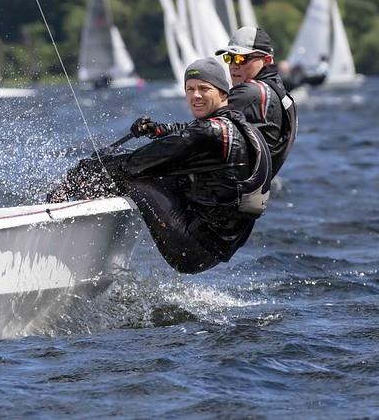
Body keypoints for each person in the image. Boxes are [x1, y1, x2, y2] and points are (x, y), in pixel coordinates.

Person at [48, 58, 272, 274]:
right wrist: (158, 130)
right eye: (190, 89)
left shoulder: (208, 133)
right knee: (145, 169)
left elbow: (134, 164)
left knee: (130, 174)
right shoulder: (239, 125)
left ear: (223, 93)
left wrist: (83, 171)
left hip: (193, 249)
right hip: (220, 246)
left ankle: (63, 215)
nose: (196, 96)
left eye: (204, 88)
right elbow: (189, 132)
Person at [216, 26, 298, 177]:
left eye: (241, 58)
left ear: (266, 61)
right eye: (229, 58)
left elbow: (202, 126)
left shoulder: (250, 93)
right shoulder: (278, 90)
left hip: (233, 192)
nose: (234, 65)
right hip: (254, 190)